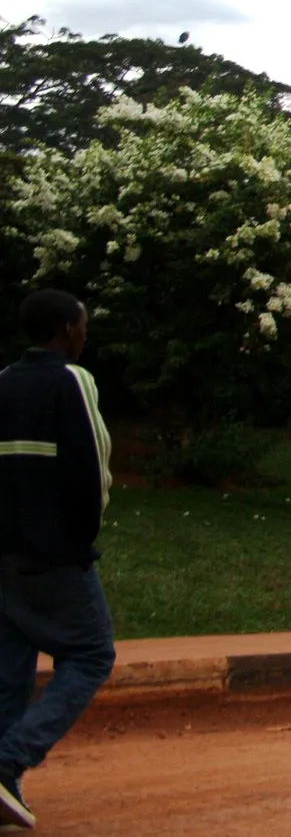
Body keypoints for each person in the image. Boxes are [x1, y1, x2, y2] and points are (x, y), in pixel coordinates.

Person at [0, 291, 116, 830]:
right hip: (55, 554)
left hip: (4, 553)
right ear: (69, 330)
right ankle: (8, 764)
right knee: (92, 653)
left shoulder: (3, 379)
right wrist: (81, 539)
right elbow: (93, 464)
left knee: (10, 670)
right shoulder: (73, 380)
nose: (85, 334)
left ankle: (5, 789)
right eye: (83, 326)